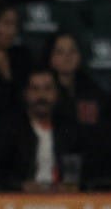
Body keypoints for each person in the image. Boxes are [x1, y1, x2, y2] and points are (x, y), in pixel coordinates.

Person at [0, 67, 85, 191]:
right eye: (35, 89)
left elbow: (83, 170)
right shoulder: (6, 129)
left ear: (56, 93)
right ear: (26, 93)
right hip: (18, 202)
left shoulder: (69, 130)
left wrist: (70, 185)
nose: (41, 96)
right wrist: (20, 186)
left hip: (66, 202)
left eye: (47, 89)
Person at [46, 32, 111, 182]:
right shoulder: (42, 89)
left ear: (80, 56)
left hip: (91, 169)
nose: (67, 57)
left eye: (72, 51)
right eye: (60, 52)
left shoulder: (93, 91)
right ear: (51, 58)